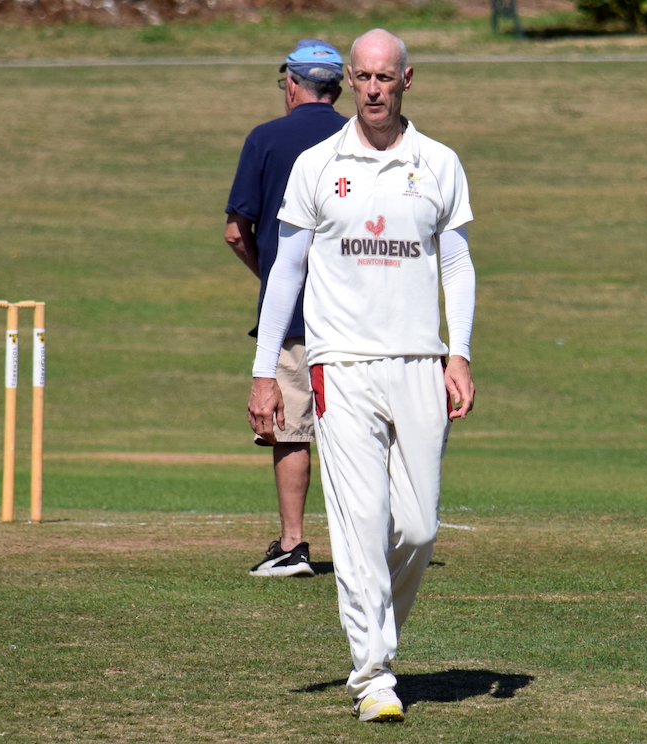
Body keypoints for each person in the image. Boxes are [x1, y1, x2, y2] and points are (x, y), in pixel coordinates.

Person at [247, 29, 476, 722]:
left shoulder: (438, 163)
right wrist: (265, 372)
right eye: (364, 77)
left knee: (417, 528)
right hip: (339, 365)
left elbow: (456, 264)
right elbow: (286, 268)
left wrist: (457, 352)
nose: (374, 88)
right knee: (361, 522)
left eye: (386, 76)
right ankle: (373, 674)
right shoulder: (318, 164)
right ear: (350, 80)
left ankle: (382, 641)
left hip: (417, 360)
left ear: (409, 79)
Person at [225, 40, 349, 577]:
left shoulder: (265, 139)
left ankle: (293, 546)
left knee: (292, 429)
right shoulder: (359, 137)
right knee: (356, 432)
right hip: (355, 316)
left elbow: (236, 232)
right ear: (339, 89)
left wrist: (274, 279)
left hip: (292, 318)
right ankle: (363, 545)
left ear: (293, 85)